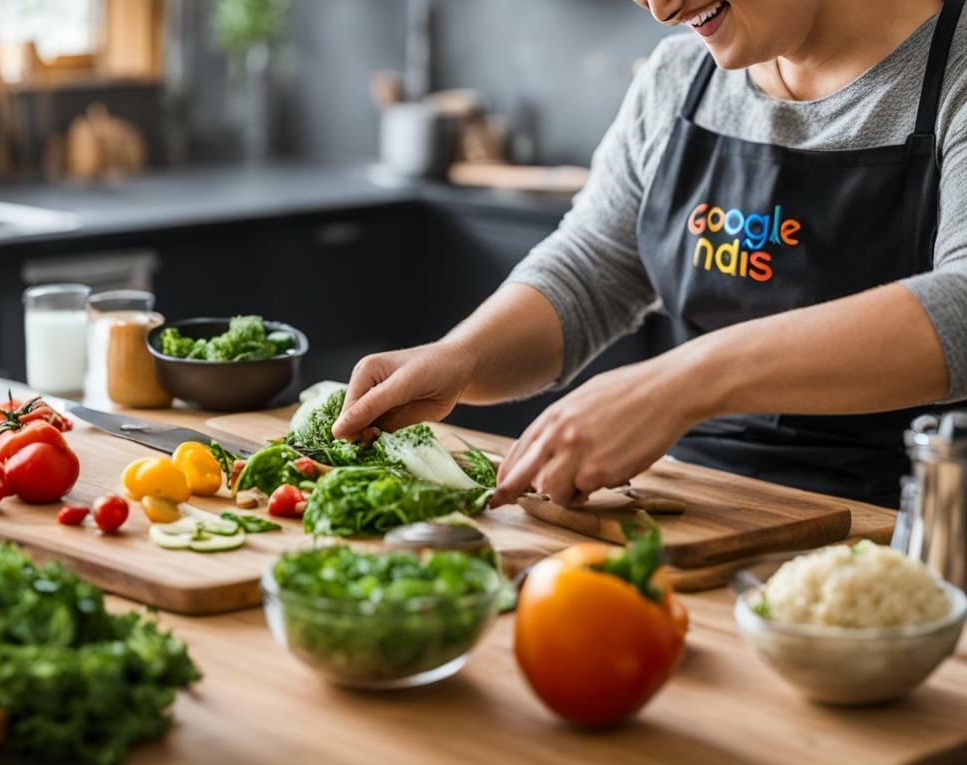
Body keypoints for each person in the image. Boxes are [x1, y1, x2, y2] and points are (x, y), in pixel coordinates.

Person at [333, 0, 967, 509]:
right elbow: (593, 266)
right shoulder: (678, 77)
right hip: (705, 508)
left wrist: (684, 383)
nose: (662, 8)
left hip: (914, 525)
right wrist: (461, 357)